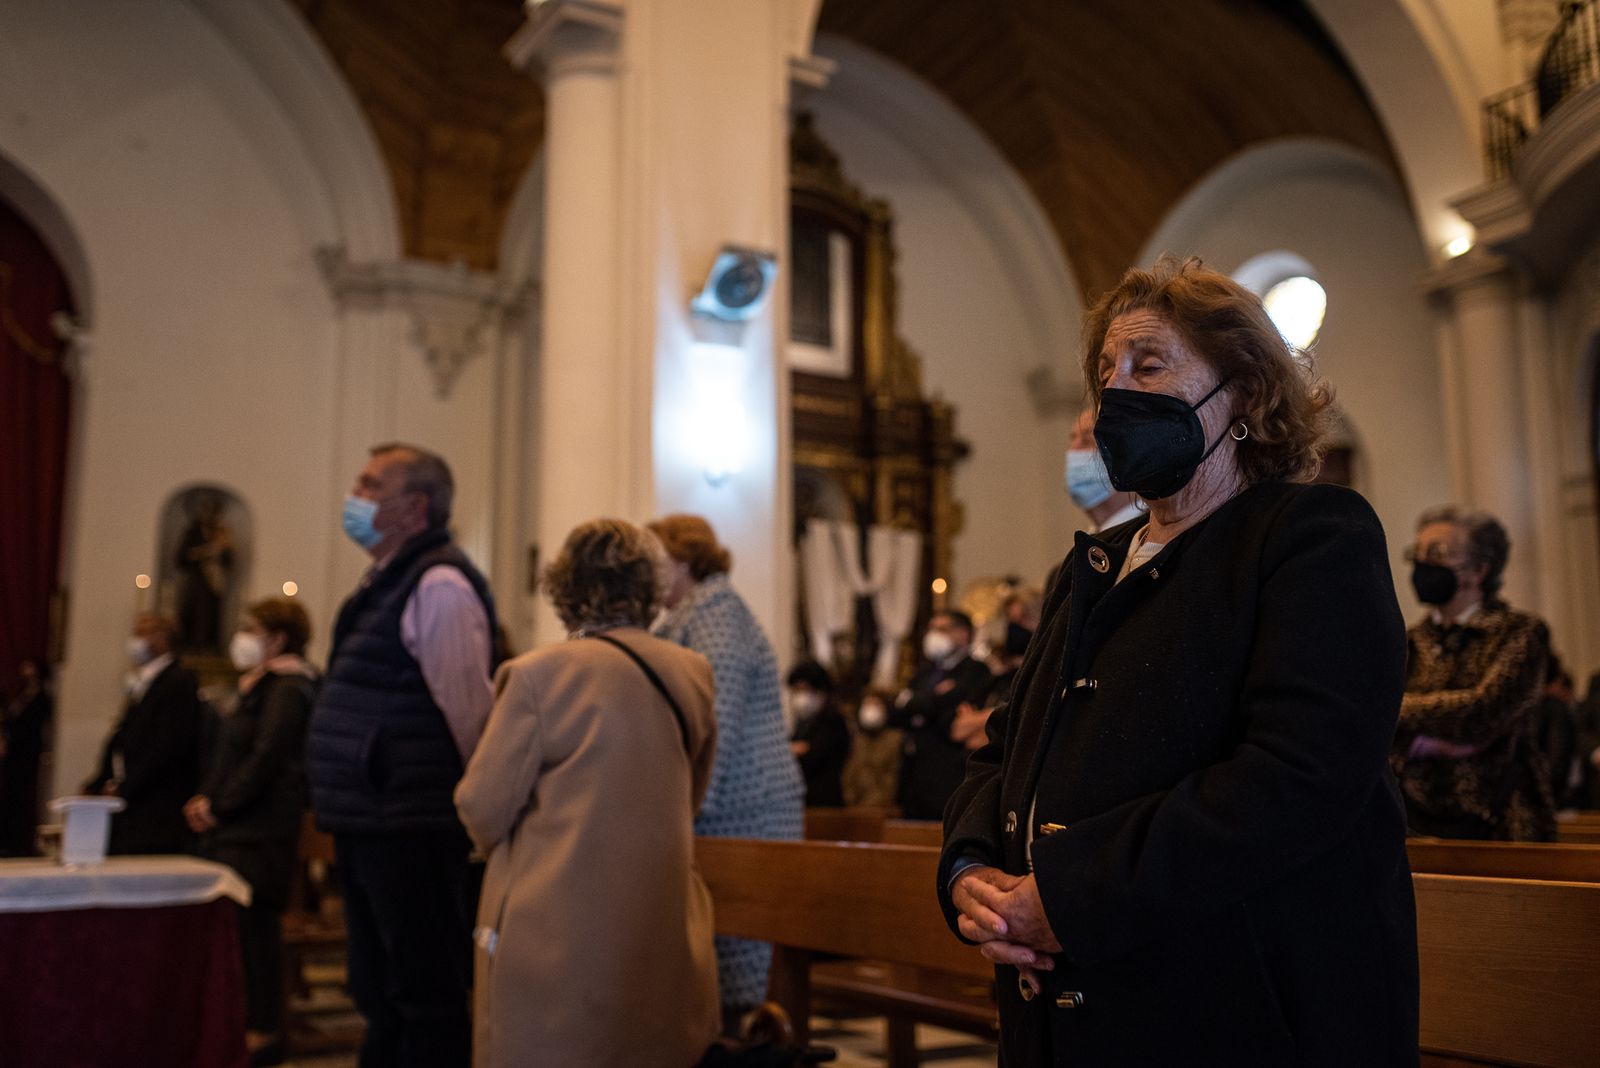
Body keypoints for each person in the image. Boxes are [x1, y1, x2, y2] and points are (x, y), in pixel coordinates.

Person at [939, 256, 1417, 1065]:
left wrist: (1074, 892)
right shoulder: (1091, 567)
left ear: (1247, 394)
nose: (1114, 391)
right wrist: (969, 868)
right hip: (1066, 1013)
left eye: (1148, 364)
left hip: (1239, 1008)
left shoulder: (1310, 537)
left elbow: (1301, 772)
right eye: (1105, 371)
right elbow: (1005, 749)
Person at [456, 519, 719, 1068]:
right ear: (648, 589)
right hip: (657, 910)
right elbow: (691, 790)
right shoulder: (690, 671)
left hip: (554, 920)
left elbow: (481, 804)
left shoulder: (537, 675)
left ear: (565, 588)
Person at [305, 443, 498, 1068]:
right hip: (372, 812)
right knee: (376, 985)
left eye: (369, 485)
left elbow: (469, 711)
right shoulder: (385, 579)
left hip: (411, 819)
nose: (354, 496)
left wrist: (477, 810)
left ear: (415, 508)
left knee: (424, 989)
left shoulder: (439, 584)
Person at [649, 513, 804, 1033]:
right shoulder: (686, 615)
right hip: (720, 804)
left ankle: (747, 1048)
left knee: (739, 954)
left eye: (659, 562)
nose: (652, 574)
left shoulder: (717, 615)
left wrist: (687, 801)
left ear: (685, 562)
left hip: (744, 806)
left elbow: (717, 719)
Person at [185, 599, 318, 1067]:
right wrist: (207, 798)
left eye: (251, 628)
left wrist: (220, 806)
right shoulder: (264, 685)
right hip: (240, 828)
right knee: (240, 932)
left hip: (258, 834)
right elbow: (232, 753)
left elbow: (267, 758)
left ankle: (262, 1032)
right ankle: (243, 1025)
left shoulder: (289, 688)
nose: (241, 636)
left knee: (255, 933)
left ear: (278, 639)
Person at [1392, 506, 1556, 841]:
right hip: (1417, 822)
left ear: (1479, 569)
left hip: (1503, 822)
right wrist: (1434, 740)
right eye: (1418, 554)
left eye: (1437, 553)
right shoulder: (1409, 641)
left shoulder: (1520, 631)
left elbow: (1482, 711)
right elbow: (1372, 717)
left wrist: (1402, 714)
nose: (1423, 565)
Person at [85, 614, 204, 855]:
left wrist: (126, 788)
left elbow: (168, 745)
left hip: (155, 807)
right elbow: (123, 737)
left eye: (142, 633)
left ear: (161, 638)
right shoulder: (145, 680)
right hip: (131, 801)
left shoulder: (178, 681)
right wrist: (99, 782)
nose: (135, 640)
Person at [892, 610, 993, 820]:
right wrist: (932, 700)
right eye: (932, 629)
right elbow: (900, 710)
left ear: (963, 634)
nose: (934, 635)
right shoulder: (924, 672)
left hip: (947, 771)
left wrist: (922, 703)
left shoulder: (975, 670)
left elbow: (951, 719)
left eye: (943, 629)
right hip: (915, 771)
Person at [954, 588, 1042, 754]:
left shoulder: (1041, 676)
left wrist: (980, 720)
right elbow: (960, 730)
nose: (1014, 629)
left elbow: (1024, 724)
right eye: (1010, 620)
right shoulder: (995, 678)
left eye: (1023, 619)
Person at [0, 658, 53, 856]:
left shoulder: (42, 698)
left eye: (30, 667)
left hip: (25, 757)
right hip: (12, 756)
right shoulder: (21, 695)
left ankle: (17, 843)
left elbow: (32, 729)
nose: (25, 671)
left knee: (19, 799)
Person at [1064, 406, 1142, 532]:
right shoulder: (1088, 543)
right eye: (1072, 441)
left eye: (1087, 441)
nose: (1073, 452)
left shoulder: (1147, 533)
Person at [786, 660, 851, 808]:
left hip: (825, 804)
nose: (800, 697)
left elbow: (813, 757)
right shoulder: (801, 726)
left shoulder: (833, 723)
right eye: (796, 690)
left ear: (821, 692)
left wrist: (794, 751)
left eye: (805, 690)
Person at [841, 690, 902, 808]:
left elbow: (891, 780)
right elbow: (848, 774)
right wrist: (850, 800)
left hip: (881, 810)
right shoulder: (857, 740)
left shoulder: (895, 739)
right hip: (853, 809)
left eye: (876, 704)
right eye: (867, 704)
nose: (870, 709)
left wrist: (869, 806)